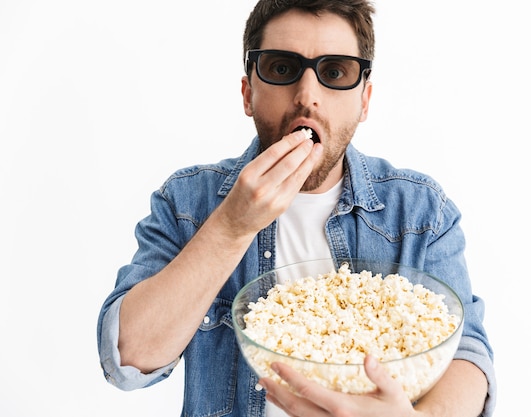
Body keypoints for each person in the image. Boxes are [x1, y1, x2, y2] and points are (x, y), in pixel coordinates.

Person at [97, 1, 496, 416]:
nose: (307, 97)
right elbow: (129, 359)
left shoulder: (419, 211)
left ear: (365, 100)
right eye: (283, 68)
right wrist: (231, 226)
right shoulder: (187, 202)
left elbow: (466, 350)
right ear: (248, 93)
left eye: (335, 72)